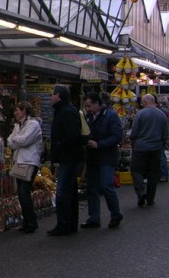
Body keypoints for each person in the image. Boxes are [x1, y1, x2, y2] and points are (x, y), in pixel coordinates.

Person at [81, 91, 124, 229]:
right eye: (86, 106)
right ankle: (94, 218)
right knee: (92, 188)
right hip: (92, 157)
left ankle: (116, 215)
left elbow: (117, 136)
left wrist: (99, 144)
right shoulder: (87, 117)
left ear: (98, 104)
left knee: (106, 186)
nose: (87, 109)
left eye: (89, 106)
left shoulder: (111, 116)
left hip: (106, 157)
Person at [47, 84, 84, 236]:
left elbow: (72, 135)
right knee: (70, 191)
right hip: (69, 156)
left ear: (58, 96)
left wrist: (59, 145)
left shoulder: (66, 111)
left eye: (52, 94)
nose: (50, 97)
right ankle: (70, 224)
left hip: (69, 157)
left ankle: (64, 224)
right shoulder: (65, 110)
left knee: (62, 191)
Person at [7, 101, 43, 233]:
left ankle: (32, 222)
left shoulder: (33, 124)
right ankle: (27, 221)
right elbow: (10, 142)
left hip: (30, 162)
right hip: (19, 162)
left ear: (24, 111)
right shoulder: (17, 126)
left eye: (17, 110)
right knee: (22, 194)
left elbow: (25, 140)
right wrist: (18, 139)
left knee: (24, 192)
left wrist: (17, 139)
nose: (15, 113)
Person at [129, 94, 169, 207]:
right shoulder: (162, 115)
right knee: (153, 174)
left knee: (137, 171)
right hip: (155, 148)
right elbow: (165, 133)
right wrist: (161, 144)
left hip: (140, 148)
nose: (141, 104)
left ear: (145, 102)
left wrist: (133, 142)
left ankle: (141, 192)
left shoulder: (140, 114)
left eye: (142, 102)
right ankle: (150, 198)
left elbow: (134, 131)